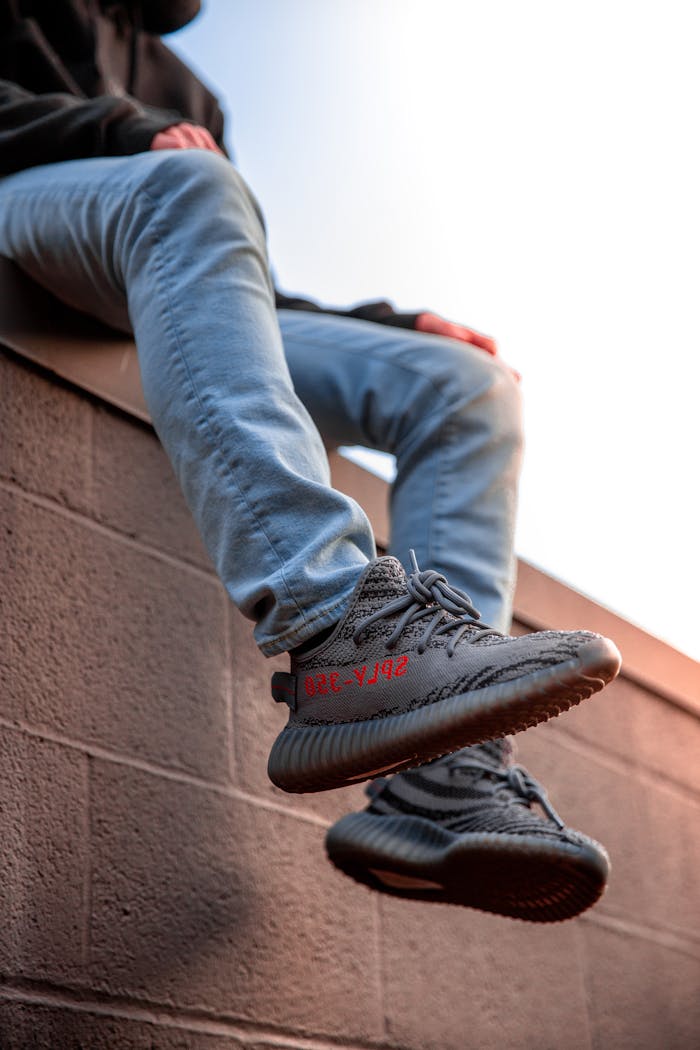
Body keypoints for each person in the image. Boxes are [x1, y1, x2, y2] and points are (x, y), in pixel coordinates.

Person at [0, 1, 620, 920]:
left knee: (465, 384)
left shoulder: (191, 92)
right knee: (192, 190)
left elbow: (234, 275)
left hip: (150, 250)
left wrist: (392, 328)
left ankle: (440, 785)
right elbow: (181, 197)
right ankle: (338, 630)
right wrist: (123, 132)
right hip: (25, 207)